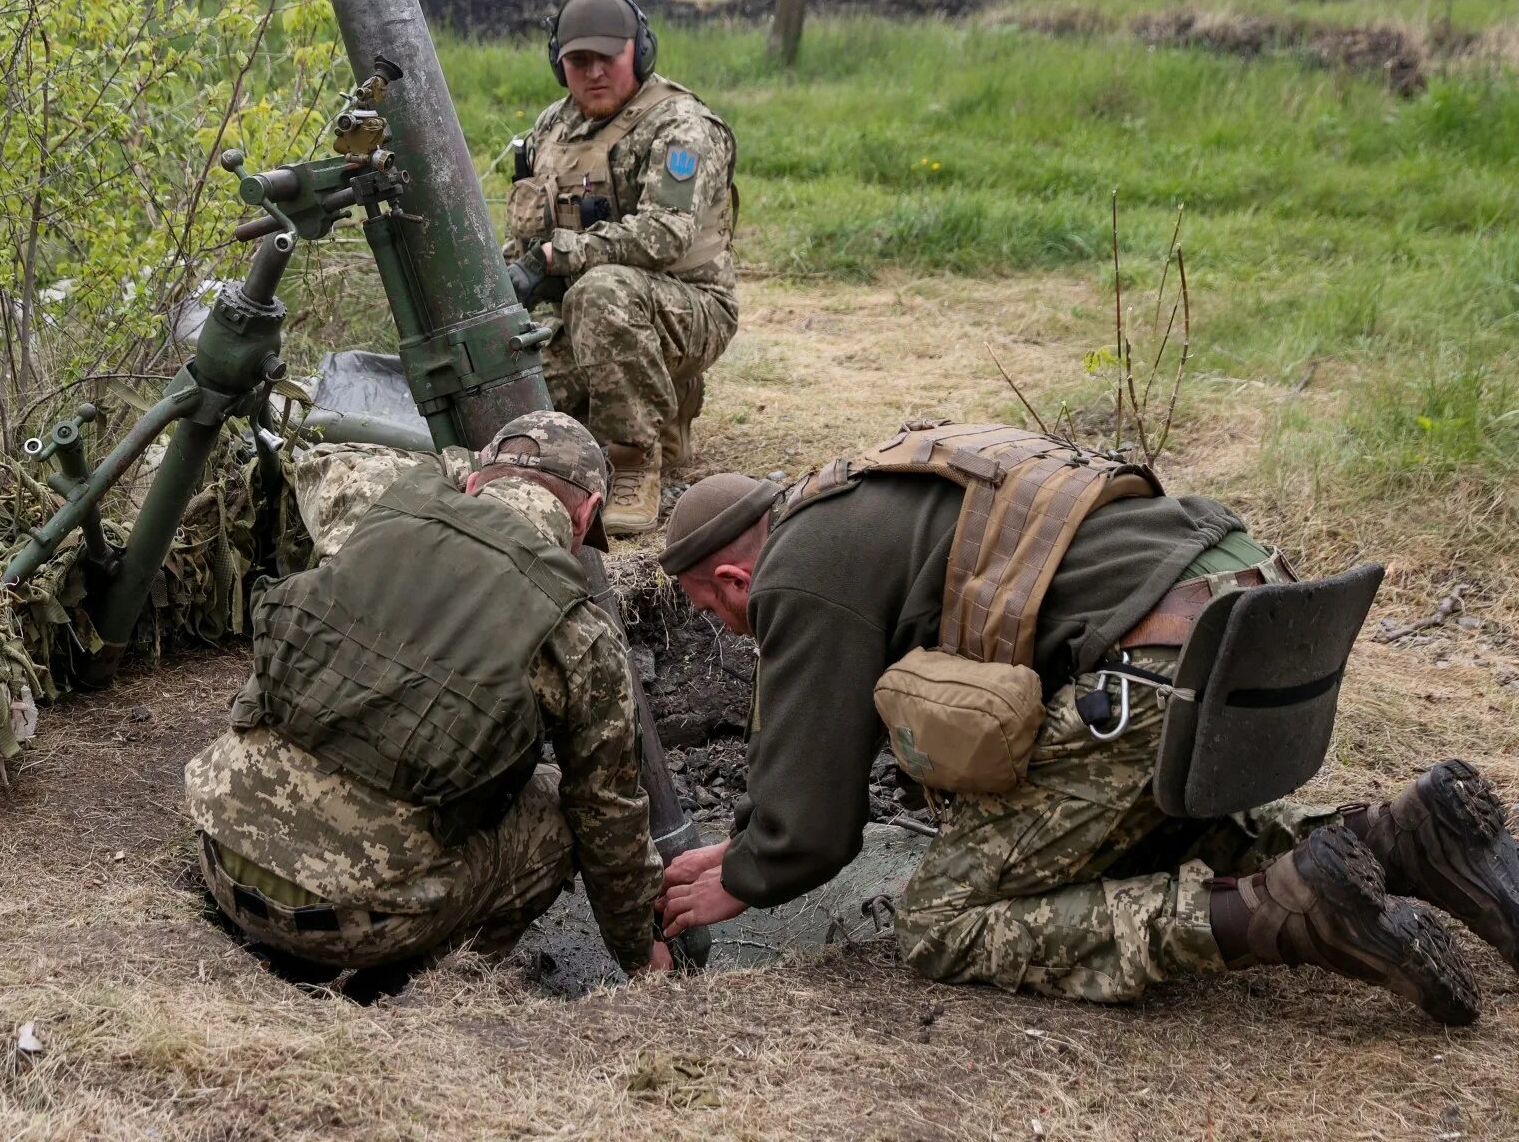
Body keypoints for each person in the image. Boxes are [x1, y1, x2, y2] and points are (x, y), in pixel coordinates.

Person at [651, 427, 1519, 1026]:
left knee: (942, 920)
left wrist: (750, 872)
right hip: (1262, 610)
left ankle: (1282, 912)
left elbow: (814, 810)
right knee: (1127, 840)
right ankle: (1403, 838)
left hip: (1157, 667)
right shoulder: (876, 487)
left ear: (732, 576)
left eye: (714, 612)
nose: (734, 627)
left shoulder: (798, 571)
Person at [185, 412, 669, 988]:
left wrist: (455, 471)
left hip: (222, 856)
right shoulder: (580, 635)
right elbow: (607, 814)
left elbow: (313, 462)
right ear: (586, 514)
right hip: (359, 925)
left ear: (472, 479)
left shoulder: (375, 496)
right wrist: (639, 952)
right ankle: (405, 986)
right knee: (558, 820)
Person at [503, 0, 739, 537]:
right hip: (588, 317)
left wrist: (554, 257)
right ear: (559, 65)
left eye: (609, 57)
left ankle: (636, 460)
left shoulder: (682, 127)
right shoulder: (551, 128)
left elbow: (666, 235)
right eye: (578, 61)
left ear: (641, 51)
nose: (594, 72)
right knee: (523, 414)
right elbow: (525, 240)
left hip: (690, 310)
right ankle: (666, 410)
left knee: (601, 291)